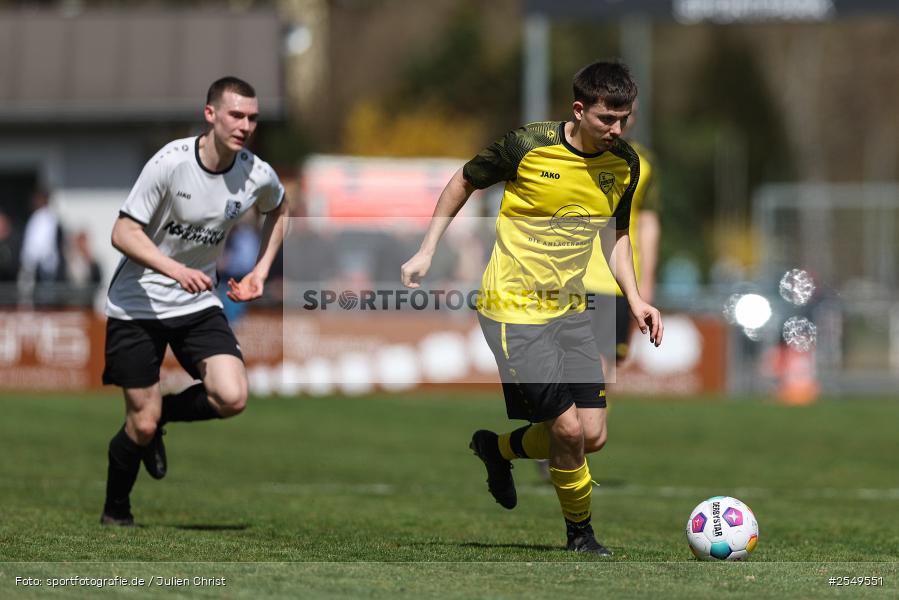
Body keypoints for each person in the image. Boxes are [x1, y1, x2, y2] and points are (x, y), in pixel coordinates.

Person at [401, 61, 663, 555]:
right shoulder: (528, 145)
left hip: (570, 311)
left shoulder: (624, 164)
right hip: (512, 312)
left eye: (624, 118)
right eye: (607, 119)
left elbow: (618, 236)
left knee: (592, 434)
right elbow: (464, 181)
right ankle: (581, 535)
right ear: (579, 110)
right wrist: (427, 249)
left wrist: (636, 299)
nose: (617, 129)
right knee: (566, 429)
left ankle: (495, 448)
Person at [100, 76, 288, 526]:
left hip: (196, 303)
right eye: (236, 115)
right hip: (137, 304)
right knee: (141, 424)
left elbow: (280, 209)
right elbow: (122, 232)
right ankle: (116, 510)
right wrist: (174, 269)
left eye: (252, 118)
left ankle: (162, 415)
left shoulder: (256, 173)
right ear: (210, 115)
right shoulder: (170, 163)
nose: (245, 126)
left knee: (232, 396)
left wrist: (260, 271)